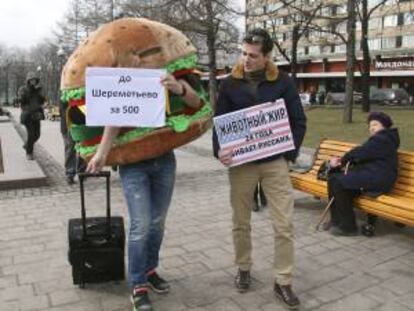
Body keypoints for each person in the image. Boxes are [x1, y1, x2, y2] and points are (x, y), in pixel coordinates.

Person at [86, 73, 202, 311]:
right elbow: (115, 115)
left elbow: (197, 103)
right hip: (133, 162)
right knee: (141, 224)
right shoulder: (125, 76)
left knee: (158, 222)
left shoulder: (165, 72)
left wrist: (179, 88)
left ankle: (150, 269)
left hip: (164, 159)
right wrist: (102, 153)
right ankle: (138, 284)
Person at [212, 28, 307, 309]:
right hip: (241, 166)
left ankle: (284, 281)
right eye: (243, 53)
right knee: (241, 222)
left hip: (275, 163)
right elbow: (220, 123)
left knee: (284, 225)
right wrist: (220, 150)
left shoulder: (284, 82)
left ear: (267, 57)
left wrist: (288, 153)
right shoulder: (229, 83)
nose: (246, 59)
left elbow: (298, 121)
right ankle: (243, 268)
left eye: (253, 55)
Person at [326, 112, 400, 236]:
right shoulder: (382, 139)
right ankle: (337, 221)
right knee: (335, 179)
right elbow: (364, 153)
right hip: (373, 175)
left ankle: (348, 227)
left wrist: (342, 160)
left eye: (375, 124)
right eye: (370, 126)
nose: (371, 128)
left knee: (337, 181)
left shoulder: (382, 139)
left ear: (385, 126)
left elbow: (360, 152)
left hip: (379, 178)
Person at [18, 72, 46, 160]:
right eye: (31, 80)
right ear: (28, 81)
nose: (33, 81)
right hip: (27, 115)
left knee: (37, 135)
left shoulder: (37, 90)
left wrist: (42, 96)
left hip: (36, 115)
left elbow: (41, 101)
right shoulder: (24, 89)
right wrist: (22, 96)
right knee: (31, 134)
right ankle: (29, 153)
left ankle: (27, 145)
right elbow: (21, 100)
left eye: (34, 80)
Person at [59, 99, 86, 185]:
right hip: (68, 126)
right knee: (70, 149)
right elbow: (63, 111)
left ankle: (82, 171)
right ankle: (70, 174)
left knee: (83, 146)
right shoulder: (65, 93)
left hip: (81, 124)